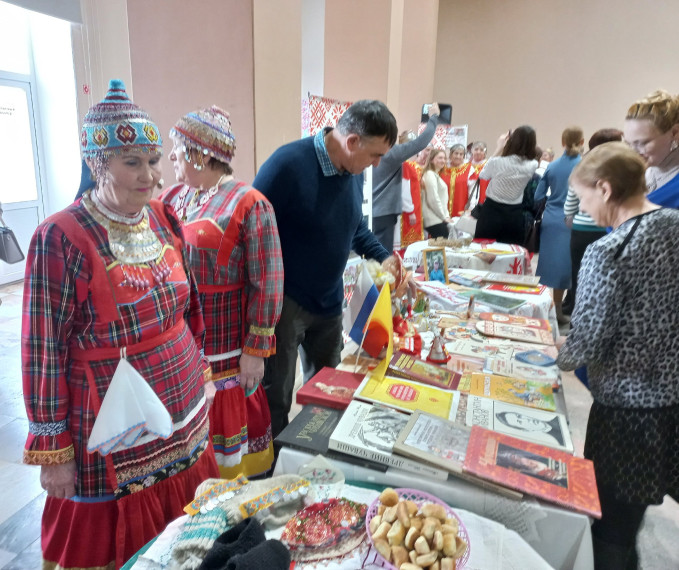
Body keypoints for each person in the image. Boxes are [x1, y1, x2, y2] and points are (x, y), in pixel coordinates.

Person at [21, 80, 219, 569]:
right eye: (132, 162)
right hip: (111, 425)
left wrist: (202, 369)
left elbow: (188, 305)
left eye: (153, 160)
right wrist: (54, 450)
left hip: (183, 410)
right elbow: (42, 350)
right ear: (96, 164)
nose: (150, 175)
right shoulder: (60, 237)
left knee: (187, 538)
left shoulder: (162, 217)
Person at [556, 142, 679, 570]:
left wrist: (555, 352)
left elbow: (585, 341)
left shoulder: (609, 251)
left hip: (625, 414)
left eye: (585, 197)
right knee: (630, 520)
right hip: (669, 403)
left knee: (607, 528)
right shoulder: (674, 225)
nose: (584, 208)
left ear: (605, 190)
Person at [252, 100, 397, 438]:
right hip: (286, 304)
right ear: (352, 142)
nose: (377, 164)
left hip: (329, 301)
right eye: (375, 155)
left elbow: (354, 225)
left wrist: (382, 255)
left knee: (330, 389)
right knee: (277, 395)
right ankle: (277, 468)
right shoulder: (287, 164)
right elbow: (252, 229)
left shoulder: (353, 170)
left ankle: (317, 453)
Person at [162, 106, 284, 478]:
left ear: (200, 154)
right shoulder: (172, 198)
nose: (171, 158)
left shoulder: (249, 203)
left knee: (231, 453)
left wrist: (255, 350)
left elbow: (269, 281)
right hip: (183, 343)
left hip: (227, 342)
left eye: (178, 150)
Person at [562, 129, 623, 317]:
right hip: (609, 230)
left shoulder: (582, 167)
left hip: (581, 230)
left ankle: (575, 319)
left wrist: (572, 219)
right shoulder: (620, 170)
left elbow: (570, 204)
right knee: (600, 281)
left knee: (579, 276)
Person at [371, 102, 441, 252]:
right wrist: (434, 117)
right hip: (384, 213)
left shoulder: (364, 149)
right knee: (382, 258)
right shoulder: (391, 153)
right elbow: (422, 141)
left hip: (367, 211)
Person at [535, 126, 584, 324]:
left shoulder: (552, 166)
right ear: (582, 142)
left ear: (562, 143)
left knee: (552, 266)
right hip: (575, 220)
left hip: (551, 219)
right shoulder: (584, 166)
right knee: (569, 266)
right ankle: (563, 310)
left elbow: (538, 195)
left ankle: (553, 308)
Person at [475, 127, 539, 244]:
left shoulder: (497, 162)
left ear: (512, 141)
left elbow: (483, 175)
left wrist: (499, 147)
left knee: (483, 251)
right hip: (514, 214)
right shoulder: (533, 164)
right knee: (509, 253)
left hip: (491, 211)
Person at [624, 89, 679, 207]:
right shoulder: (636, 173)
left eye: (643, 143)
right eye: (629, 144)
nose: (633, 152)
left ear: (675, 133)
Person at [421, 148, 452, 238]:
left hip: (437, 219)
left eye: (444, 158)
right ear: (431, 160)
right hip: (434, 219)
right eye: (440, 158)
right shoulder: (430, 174)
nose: (443, 161)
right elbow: (433, 199)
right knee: (442, 248)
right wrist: (444, 217)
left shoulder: (435, 174)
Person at [495, 410, 565, 446]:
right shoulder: (560, 442)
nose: (526, 419)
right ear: (526, 430)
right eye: (520, 422)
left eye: (519, 416)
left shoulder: (558, 418)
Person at [439, 143, 471, 217]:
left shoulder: (469, 169)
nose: (458, 156)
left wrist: (470, 209)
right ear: (450, 155)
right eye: (456, 153)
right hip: (442, 208)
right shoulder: (442, 168)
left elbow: (472, 191)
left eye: (461, 154)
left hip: (461, 208)